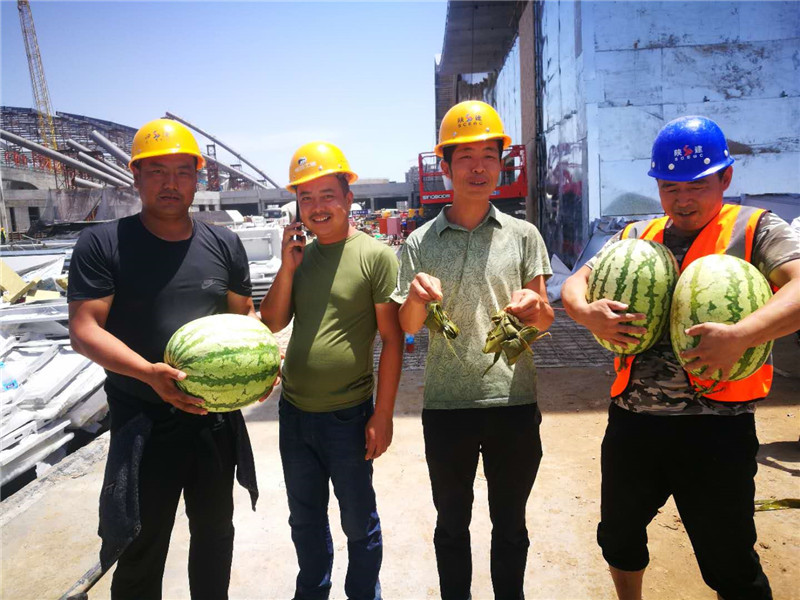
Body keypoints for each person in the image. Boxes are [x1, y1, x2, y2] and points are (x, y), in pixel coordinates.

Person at [561, 115, 800, 600]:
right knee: (619, 537)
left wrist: (742, 334)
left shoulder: (756, 229)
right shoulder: (637, 234)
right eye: (670, 188)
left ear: (725, 178)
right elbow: (575, 282)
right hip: (634, 421)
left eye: (697, 186)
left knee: (730, 558)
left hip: (718, 427)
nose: (683, 200)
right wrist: (587, 314)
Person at [68, 118, 269, 599]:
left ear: (197, 178)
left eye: (182, 171)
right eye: (157, 171)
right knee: (140, 544)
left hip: (213, 420)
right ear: (136, 176)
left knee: (215, 536)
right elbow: (84, 329)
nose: (170, 182)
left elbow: (245, 315)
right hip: (143, 422)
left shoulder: (224, 243)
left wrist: (263, 362)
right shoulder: (103, 243)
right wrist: (148, 374)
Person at [392, 100, 554, 599]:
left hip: (513, 401)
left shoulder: (523, 235)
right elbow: (407, 327)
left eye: (489, 156)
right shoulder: (420, 242)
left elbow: (545, 317)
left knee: (511, 526)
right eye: (465, 157)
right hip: (447, 406)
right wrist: (416, 298)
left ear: (501, 164)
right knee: (451, 527)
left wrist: (535, 307)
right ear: (446, 166)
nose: (478, 167)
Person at [260, 141, 403, 600]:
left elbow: (393, 339)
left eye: (327, 195)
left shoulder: (376, 256)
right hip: (294, 414)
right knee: (304, 521)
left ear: (348, 198)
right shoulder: (300, 257)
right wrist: (287, 267)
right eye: (306, 198)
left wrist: (383, 414)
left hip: (348, 417)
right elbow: (272, 322)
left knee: (358, 523)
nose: (317, 207)